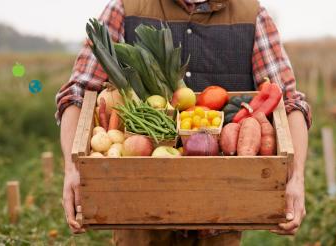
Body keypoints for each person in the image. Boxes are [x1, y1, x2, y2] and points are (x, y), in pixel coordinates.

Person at [56, 0, 311, 245]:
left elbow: (289, 103)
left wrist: (295, 178)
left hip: (220, 215)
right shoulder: (126, 7)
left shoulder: (252, 15)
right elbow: (78, 94)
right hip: (140, 215)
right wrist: (72, 169)